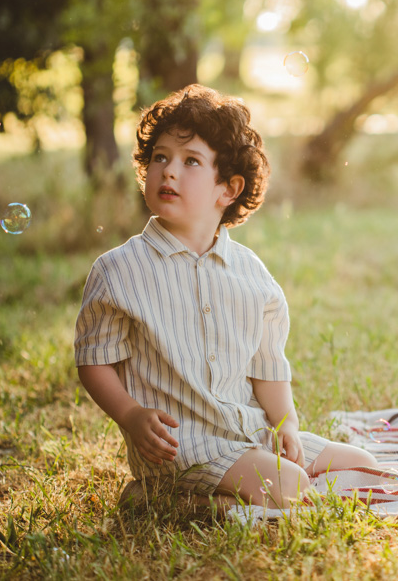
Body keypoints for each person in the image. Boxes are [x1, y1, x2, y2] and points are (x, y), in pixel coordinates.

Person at [74, 84, 376, 509]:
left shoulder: (251, 274)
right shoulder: (120, 270)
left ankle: (234, 498)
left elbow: (267, 366)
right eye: (160, 157)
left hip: (248, 431)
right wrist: (130, 415)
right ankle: (159, 499)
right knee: (288, 485)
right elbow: (93, 360)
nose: (169, 171)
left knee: (363, 466)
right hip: (180, 448)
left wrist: (285, 423)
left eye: (190, 160)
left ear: (228, 189)